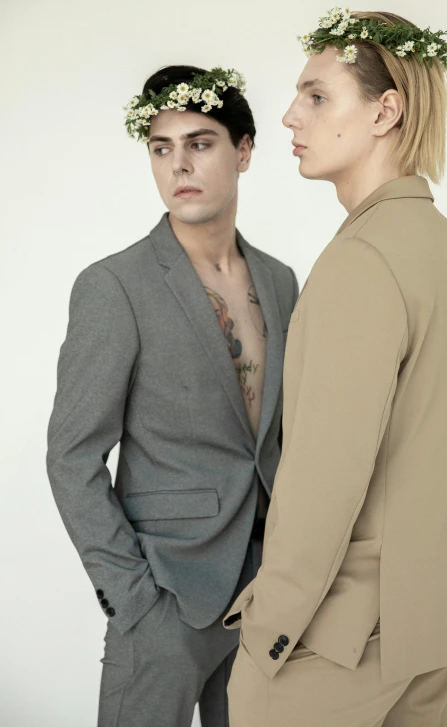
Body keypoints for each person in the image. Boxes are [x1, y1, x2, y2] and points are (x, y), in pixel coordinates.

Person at [223, 8, 447, 727]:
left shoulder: (362, 261)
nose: (287, 116)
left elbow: (325, 478)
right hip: (429, 622)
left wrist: (267, 626)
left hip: (338, 640)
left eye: (316, 95)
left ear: (386, 111)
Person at [46, 64, 298, 727]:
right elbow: (71, 456)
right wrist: (132, 598)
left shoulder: (280, 281)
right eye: (162, 147)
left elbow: (277, 440)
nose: (178, 164)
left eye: (200, 142)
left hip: (265, 597)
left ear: (243, 152)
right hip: (164, 601)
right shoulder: (116, 286)